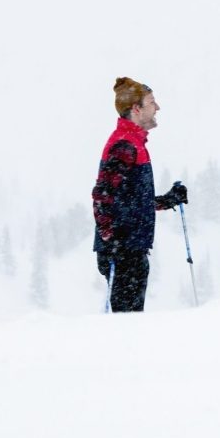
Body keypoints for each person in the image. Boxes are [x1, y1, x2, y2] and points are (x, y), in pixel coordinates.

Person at [91, 77, 188, 311]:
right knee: (126, 324)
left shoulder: (134, 144)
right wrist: (109, 236)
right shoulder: (125, 145)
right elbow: (102, 193)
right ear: (136, 109)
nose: (157, 108)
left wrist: (168, 201)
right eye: (152, 102)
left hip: (130, 248)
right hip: (123, 250)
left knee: (130, 321)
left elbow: (131, 199)